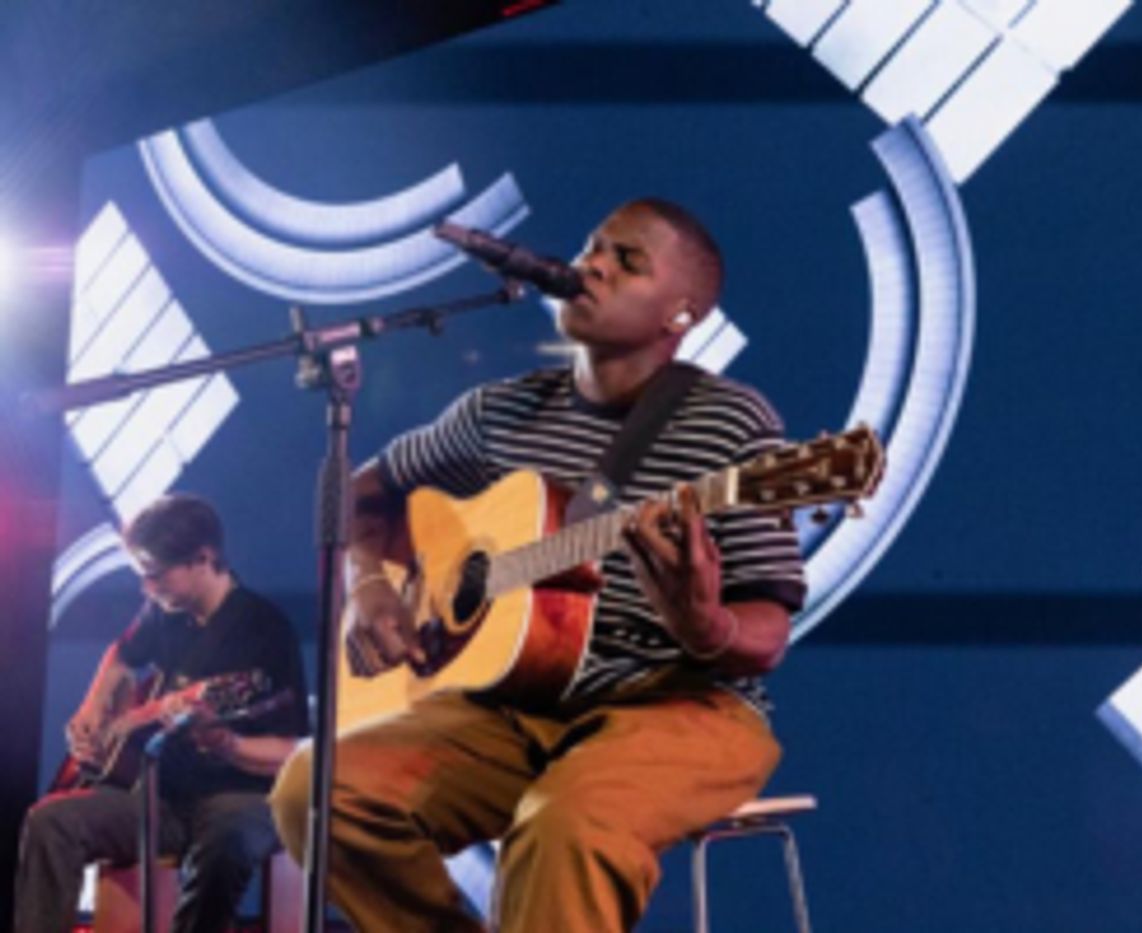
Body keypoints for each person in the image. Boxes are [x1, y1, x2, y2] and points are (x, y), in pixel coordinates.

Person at [269, 197, 808, 931]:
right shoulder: (500, 412)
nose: (593, 265)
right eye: (594, 246)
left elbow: (768, 631)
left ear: (679, 315)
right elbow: (358, 492)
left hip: (678, 704)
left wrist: (707, 624)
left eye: (628, 261)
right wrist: (367, 584)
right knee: (314, 789)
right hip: (513, 704)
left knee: (564, 826)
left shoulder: (729, 421)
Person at [13, 493, 310, 933]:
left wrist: (229, 745)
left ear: (203, 558)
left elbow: (290, 752)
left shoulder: (265, 629)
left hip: (243, 797)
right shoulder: (167, 610)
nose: (147, 589)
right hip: (162, 797)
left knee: (225, 842)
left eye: (155, 575)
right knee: (50, 822)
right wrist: (94, 706)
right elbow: (121, 653)